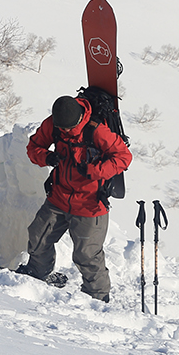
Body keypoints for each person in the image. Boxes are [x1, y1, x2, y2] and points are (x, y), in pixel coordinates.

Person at [15, 94, 132, 302]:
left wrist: (95, 171)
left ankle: (97, 298)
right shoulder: (54, 124)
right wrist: (46, 157)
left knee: (87, 255)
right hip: (59, 197)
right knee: (38, 237)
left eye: (69, 129)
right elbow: (33, 148)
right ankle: (37, 274)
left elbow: (123, 156)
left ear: (79, 119)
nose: (66, 132)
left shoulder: (96, 130)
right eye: (62, 129)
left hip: (90, 204)